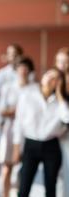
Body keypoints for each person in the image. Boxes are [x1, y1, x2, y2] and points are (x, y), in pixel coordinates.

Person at [12, 68, 69, 197]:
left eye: (55, 78)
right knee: (24, 186)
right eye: (48, 74)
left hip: (51, 145)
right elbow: (18, 122)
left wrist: (60, 95)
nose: (50, 79)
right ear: (43, 76)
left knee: (50, 187)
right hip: (30, 144)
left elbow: (67, 117)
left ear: (59, 84)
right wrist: (16, 147)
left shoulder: (61, 102)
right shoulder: (27, 94)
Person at [0, 43, 24, 195]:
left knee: (17, 158)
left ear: (20, 56)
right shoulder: (1, 74)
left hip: (19, 122)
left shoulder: (25, 74)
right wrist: (0, 117)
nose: (12, 57)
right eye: (10, 53)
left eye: (15, 54)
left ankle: (13, 190)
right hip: (2, 122)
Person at [0, 57, 35, 197]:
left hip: (28, 130)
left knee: (24, 168)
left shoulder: (34, 88)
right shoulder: (8, 87)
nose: (23, 71)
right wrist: (17, 111)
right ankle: (5, 194)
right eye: (20, 67)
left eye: (26, 68)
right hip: (10, 129)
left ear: (30, 70)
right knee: (7, 166)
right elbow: (1, 109)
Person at [54, 47, 69, 197]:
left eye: (65, 62)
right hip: (55, 133)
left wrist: (59, 94)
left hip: (66, 134)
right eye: (59, 61)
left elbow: (66, 116)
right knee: (57, 172)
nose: (61, 65)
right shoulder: (55, 80)